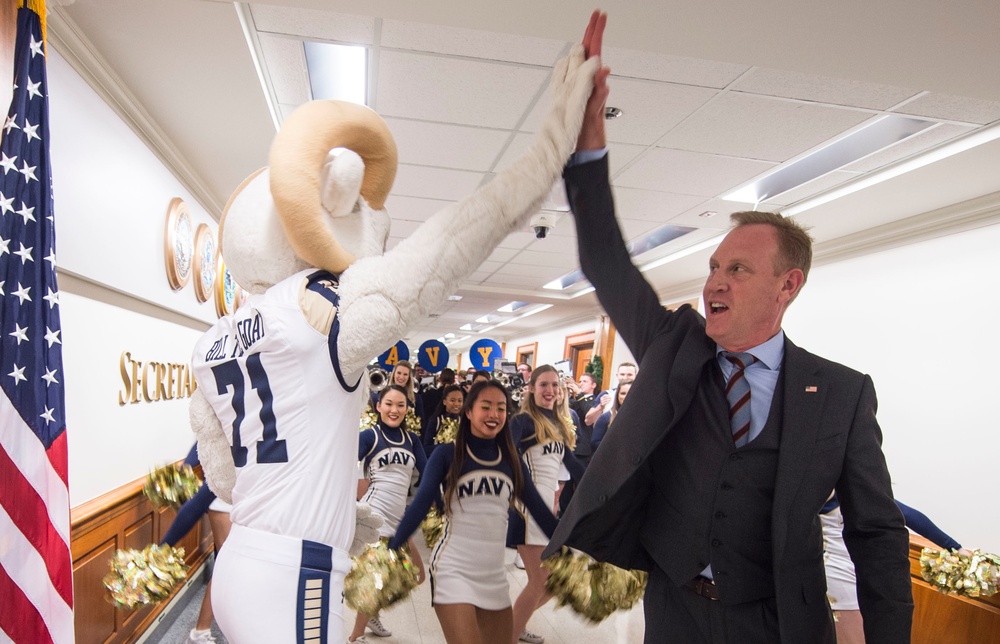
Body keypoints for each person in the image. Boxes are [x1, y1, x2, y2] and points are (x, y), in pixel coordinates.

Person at [544, 12, 912, 644]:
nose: (715, 281)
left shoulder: (843, 396)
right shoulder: (671, 347)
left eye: (737, 269)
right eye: (714, 266)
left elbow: (875, 531)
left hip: (783, 624)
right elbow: (604, 259)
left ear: (787, 286)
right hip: (675, 614)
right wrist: (587, 142)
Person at [388, 380, 558, 644]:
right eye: (486, 407)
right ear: (469, 412)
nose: (494, 415)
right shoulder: (447, 454)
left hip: (493, 575)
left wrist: (571, 549)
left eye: (501, 408)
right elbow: (421, 504)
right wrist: (393, 547)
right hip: (453, 568)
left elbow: (540, 511)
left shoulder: (512, 460)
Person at [508, 366, 585, 644]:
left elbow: (574, 467)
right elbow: (511, 461)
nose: (549, 390)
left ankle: (514, 623)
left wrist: (604, 490)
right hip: (528, 510)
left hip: (546, 509)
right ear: (531, 388)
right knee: (540, 581)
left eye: (554, 385)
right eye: (543, 385)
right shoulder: (522, 422)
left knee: (558, 582)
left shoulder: (557, 424)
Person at [349, 385, 427, 643]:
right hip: (375, 518)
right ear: (378, 406)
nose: (394, 410)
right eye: (389, 404)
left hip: (399, 521)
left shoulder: (412, 440)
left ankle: (371, 615)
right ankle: (355, 637)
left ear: (407, 408)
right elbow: (346, 464)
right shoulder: (369, 436)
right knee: (374, 580)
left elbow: (427, 475)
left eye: (400, 405)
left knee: (417, 574)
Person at [160, 444, 232, 644]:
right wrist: (163, 548)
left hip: (243, 501)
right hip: (226, 503)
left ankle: (202, 632)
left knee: (226, 571)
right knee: (225, 570)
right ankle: (200, 632)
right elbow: (196, 505)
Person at [583, 361, 637, 428]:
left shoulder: (643, 395)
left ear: (636, 376)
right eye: (622, 374)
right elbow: (588, 421)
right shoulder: (606, 394)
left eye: (629, 375)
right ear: (617, 376)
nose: (625, 377)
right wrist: (600, 407)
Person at [589, 378, 631, 453]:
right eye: (623, 393)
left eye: (630, 393)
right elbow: (595, 443)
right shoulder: (606, 418)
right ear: (617, 395)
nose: (626, 397)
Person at [422, 384, 465, 458]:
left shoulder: (464, 422)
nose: (457, 404)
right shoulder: (436, 421)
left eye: (460, 400)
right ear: (444, 402)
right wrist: (446, 448)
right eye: (452, 400)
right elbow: (426, 449)